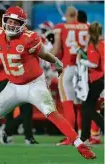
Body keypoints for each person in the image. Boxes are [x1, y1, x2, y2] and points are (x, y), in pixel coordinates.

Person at [0, 6, 95, 160]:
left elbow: (43, 54)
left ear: (22, 25)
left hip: (34, 84)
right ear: (4, 20)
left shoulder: (29, 38)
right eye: (10, 21)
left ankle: (80, 145)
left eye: (16, 22)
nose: (12, 25)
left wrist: (56, 62)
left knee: (52, 113)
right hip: (13, 85)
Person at [0, 8, 38, 144]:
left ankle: (23, 135)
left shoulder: (12, 35)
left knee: (24, 107)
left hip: (11, 75)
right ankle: (6, 129)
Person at [51, 7, 89, 145]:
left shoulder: (61, 27)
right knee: (80, 104)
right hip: (84, 69)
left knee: (67, 103)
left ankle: (70, 137)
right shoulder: (88, 27)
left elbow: (56, 49)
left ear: (67, 16)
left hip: (69, 68)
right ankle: (82, 136)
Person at [78, 22, 104, 143]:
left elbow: (94, 64)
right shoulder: (102, 43)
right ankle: (84, 136)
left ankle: (85, 136)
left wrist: (81, 61)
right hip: (100, 79)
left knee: (88, 108)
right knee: (87, 107)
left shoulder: (94, 45)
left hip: (97, 79)